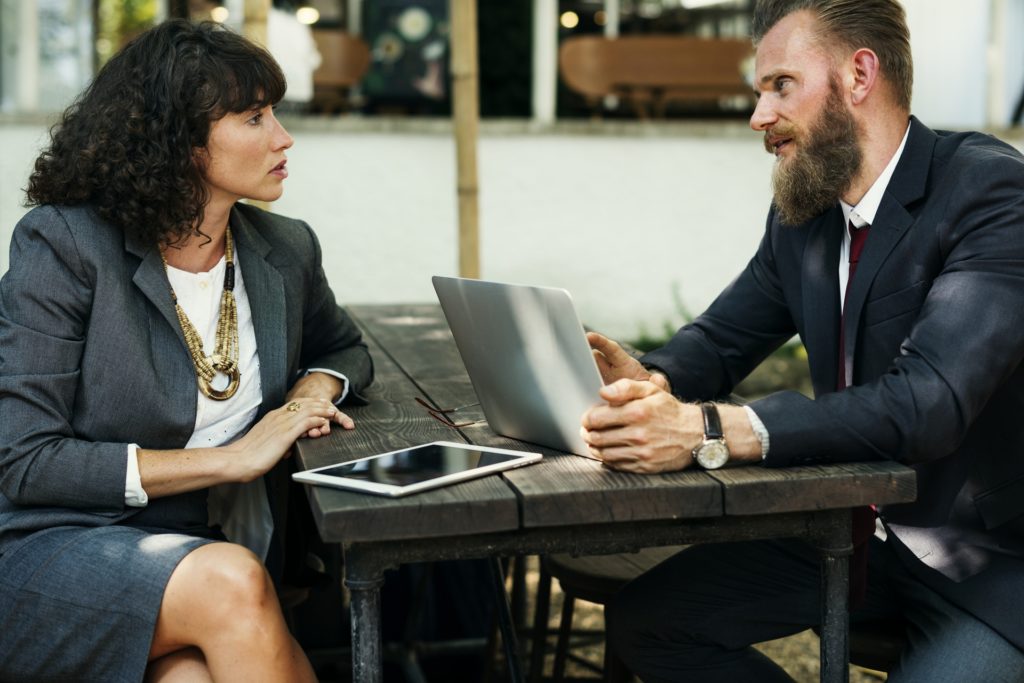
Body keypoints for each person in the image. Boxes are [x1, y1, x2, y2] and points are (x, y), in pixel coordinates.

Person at [580, 1, 1024, 680]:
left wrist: (712, 428)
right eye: (759, 92)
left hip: (986, 566)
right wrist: (648, 378)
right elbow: (722, 340)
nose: (758, 117)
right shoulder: (806, 212)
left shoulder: (990, 192)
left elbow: (927, 403)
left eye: (780, 85)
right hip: (850, 534)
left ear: (859, 74)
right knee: (650, 622)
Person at [0, 19, 373, 682]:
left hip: (201, 554)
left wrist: (310, 395)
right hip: (53, 543)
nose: (283, 138)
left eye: (275, 114)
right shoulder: (63, 246)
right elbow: (26, 462)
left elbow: (341, 345)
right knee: (233, 583)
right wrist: (227, 460)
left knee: (193, 677)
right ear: (177, 138)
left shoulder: (283, 248)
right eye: (254, 117)